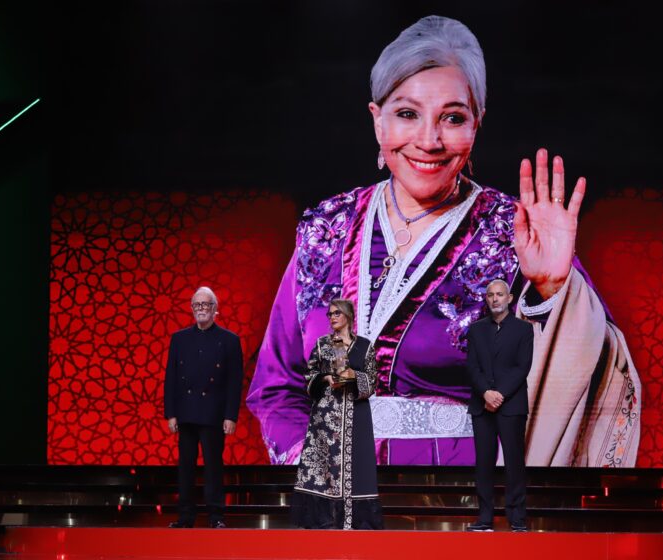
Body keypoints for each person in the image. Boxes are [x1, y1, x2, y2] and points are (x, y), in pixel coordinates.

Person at [247, 15, 641, 467]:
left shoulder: (512, 233)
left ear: (477, 125)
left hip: (460, 502)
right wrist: (311, 464)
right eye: (407, 114)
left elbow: (599, 378)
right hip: (332, 501)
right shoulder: (324, 230)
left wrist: (553, 292)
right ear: (378, 122)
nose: (429, 140)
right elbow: (277, 387)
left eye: (452, 118)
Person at [291, 299, 383, 530]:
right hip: (326, 418)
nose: (332, 317)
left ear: (349, 316)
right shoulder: (323, 345)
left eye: (337, 313)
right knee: (323, 469)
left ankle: (355, 522)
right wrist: (324, 378)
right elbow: (308, 375)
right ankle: (325, 520)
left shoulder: (364, 346)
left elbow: (373, 381)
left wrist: (354, 376)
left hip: (356, 417)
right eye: (330, 314)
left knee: (357, 468)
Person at [163, 287, 244, 528]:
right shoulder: (179, 339)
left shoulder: (230, 340)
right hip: (186, 412)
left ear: (215, 310)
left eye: (206, 305)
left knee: (213, 467)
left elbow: (234, 382)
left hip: (213, 413)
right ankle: (185, 516)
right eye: (197, 305)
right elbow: (171, 378)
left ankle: (216, 516)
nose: (201, 309)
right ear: (191, 308)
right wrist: (171, 413)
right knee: (185, 467)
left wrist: (230, 415)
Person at [466, 279, 533, 532]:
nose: (495, 299)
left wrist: (499, 394)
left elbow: (522, 367)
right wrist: (485, 393)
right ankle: (485, 518)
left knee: (514, 462)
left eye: (500, 295)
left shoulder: (523, 330)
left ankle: (516, 518)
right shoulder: (476, 330)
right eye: (491, 295)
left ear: (510, 298)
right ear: (486, 299)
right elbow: (472, 367)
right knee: (484, 463)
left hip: (511, 405)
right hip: (482, 406)